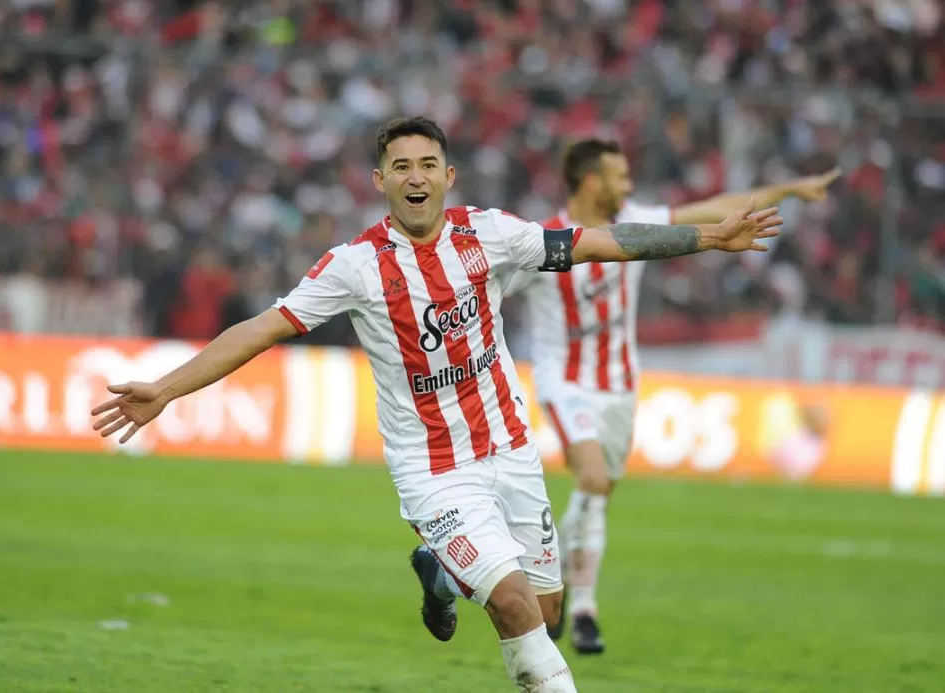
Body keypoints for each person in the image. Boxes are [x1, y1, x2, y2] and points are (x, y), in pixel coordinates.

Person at [90, 117, 783, 693]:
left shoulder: (491, 234)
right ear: (380, 181)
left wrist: (710, 238)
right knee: (513, 604)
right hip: (433, 469)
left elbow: (600, 242)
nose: (415, 175)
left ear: (449, 177)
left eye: (428, 163)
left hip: (509, 447)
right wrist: (166, 388)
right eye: (401, 166)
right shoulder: (355, 266)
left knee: (543, 608)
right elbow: (261, 329)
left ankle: (443, 573)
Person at [507, 138, 839, 655]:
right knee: (591, 476)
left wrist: (788, 190)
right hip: (565, 381)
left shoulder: (635, 217)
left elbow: (717, 208)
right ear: (592, 181)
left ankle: (571, 592)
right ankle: (584, 611)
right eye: (620, 176)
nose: (630, 186)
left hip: (620, 382)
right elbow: (490, 287)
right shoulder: (542, 241)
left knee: (597, 495)